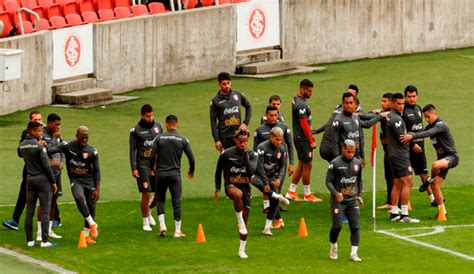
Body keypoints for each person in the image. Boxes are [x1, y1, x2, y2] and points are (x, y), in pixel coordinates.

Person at [400, 104, 459, 220]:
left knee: (435, 165)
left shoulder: (441, 125)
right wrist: (411, 135)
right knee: (435, 185)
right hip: (442, 159)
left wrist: (412, 136)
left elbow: (428, 133)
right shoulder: (430, 126)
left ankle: (429, 179)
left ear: (435, 114)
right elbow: (422, 131)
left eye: (428, 116)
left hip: (451, 157)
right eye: (425, 117)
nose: (427, 119)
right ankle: (442, 212)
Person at [48, 126, 100, 245]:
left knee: (91, 207)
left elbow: (97, 170)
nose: (84, 140)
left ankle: (86, 236)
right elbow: (52, 150)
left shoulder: (92, 151)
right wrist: (43, 147)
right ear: (76, 136)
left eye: (86, 138)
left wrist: (98, 188)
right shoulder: (68, 146)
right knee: (78, 197)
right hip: (76, 180)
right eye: (82, 138)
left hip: (89, 181)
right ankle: (92, 223)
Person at [149, 115, 195, 238]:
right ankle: (177, 231)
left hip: (161, 174)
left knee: (160, 199)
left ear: (166, 124)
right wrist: (191, 170)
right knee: (177, 202)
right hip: (175, 175)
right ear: (177, 125)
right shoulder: (183, 139)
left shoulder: (159, 138)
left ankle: (162, 225)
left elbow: (152, 156)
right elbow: (191, 158)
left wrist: (151, 168)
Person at [214, 128, 257, 259]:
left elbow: (251, 171)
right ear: (235, 140)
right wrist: (217, 188)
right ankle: (239, 220)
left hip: (246, 189)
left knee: (245, 222)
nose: (243, 144)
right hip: (231, 186)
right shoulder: (226, 154)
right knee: (237, 195)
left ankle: (241, 249)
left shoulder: (252, 154)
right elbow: (218, 171)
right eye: (240, 142)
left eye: (245, 142)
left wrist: (245, 156)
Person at [19, 121, 57, 247]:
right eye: (39, 131)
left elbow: (20, 154)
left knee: (29, 210)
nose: (41, 133)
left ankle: (30, 240)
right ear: (31, 131)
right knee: (45, 210)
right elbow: (46, 166)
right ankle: (45, 241)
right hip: (42, 180)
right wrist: (53, 181)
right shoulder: (40, 147)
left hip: (29, 179)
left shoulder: (22, 145)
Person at [3, 111, 43, 230]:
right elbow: (20, 152)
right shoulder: (26, 133)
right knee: (23, 194)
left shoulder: (47, 131)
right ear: (30, 121)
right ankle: (15, 220)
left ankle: (55, 219)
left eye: (40, 119)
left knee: (48, 194)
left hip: (45, 168)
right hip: (30, 168)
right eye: (35, 120)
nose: (38, 122)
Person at [254, 105, 294, 225]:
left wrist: (291, 163)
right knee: (273, 193)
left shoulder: (283, 127)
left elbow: (290, 145)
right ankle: (277, 219)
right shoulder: (260, 130)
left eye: (276, 115)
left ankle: (277, 219)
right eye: (271, 115)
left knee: (276, 191)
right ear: (266, 115)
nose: (273, 117)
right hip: (264, 166)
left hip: (280, 162)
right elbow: (254, 150)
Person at [285, 79, 322, 202]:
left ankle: (291, 191)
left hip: (301, 138)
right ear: (303, 89)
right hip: (303, 139)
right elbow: (304, 124)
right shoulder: (301, 104)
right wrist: (311, 140)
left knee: (302, 163)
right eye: (310, 91)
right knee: (308, 165)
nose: (311, 93)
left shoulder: (298, 100)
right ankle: (307, 194)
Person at [326, 140, 363, 262]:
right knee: (337, 226)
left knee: (355, 227)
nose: (351, 154)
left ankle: (353, 253)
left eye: (353, 152)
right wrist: (336, 194)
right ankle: (333, 246)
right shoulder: (335, 163)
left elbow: (359, 181)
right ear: (343, 149)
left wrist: (360, 195)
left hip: (352, 200)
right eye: (348, 152)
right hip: (338, 201)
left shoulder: (357, 163)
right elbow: (328, 182)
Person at [386, 93, 419, 223]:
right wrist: (412, 138)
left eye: (402, 103)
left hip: (393, 154)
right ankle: (404, 214)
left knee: (398, 183)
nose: (401, 106)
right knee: (408, 182)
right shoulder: (397, 119)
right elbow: (403, 138)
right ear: (393, 104)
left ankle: (394, 213)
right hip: (400, 155)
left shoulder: (390, 116)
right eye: (398, 104)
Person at [130, 104, 163, 231]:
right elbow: (132, 150)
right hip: (142, 165)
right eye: (148, 116)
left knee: (159, 193)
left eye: (152, 115)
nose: (150, 118)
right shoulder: (135, 130)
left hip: (156, 165)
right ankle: (145, 222)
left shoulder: (158, 127)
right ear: (142, 116)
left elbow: (162, 145)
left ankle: (149, 211)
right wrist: (133, 168)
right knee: (146, 193)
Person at [253, 127, 290, 236]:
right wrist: (265, 183)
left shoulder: (282, 149)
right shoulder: (261, 147)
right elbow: (259, 167)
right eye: (277, 139)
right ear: (271, 137)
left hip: (272, 177)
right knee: (257, 183)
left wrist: (279, 178)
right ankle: (277, 195)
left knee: (274, 202)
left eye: (281, 139)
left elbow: (283, 166)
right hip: (258, 176)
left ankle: (267, 228)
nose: (279, 142)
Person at [402, 85, 435, 205]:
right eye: (409, 96)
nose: (412, 99)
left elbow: (420, 128)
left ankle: (432, 198)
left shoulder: (418, 109)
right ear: (405, 97)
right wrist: (412, 145)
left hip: (420, 147)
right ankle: (405, 202)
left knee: (424, 173)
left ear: (417, 96)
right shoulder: (403, 111)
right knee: (407, 177)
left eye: (414, 96)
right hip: (408, 149)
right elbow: (402, 132)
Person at [36, 113, 63, 241]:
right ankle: (40, 232)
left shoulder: (56, 135)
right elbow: (45, 150)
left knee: (53, 201)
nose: (58, 127)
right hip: (46, 174)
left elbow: (61, 147)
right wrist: (54, 138)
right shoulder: (44, 135)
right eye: (56, 124)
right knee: (44, 202)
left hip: (57, 172)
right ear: (50, 123)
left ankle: (50, 229)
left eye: (59, 124)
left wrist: (62, 160)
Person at [210, 72, 252, 151]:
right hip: (224, 138)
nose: (227, 86)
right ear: (219, 84)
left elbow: (248, 106)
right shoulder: (215, 100)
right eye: (224, 84)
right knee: (227, 161)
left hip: (239, 136)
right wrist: (216, 140)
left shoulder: (237, 95)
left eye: (229, 83)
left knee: (242, 158)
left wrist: (245, 123)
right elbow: (213, 121)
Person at [375, 93, 394, 209]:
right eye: (381, 101)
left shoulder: (391, 116)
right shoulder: (382, 114)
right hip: (387, 152)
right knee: (388, 176)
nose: (382, 103)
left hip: (393, 153)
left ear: (391, 103)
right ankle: (390, 201)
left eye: (385, 101)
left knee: (394, 178)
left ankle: (395, 204)